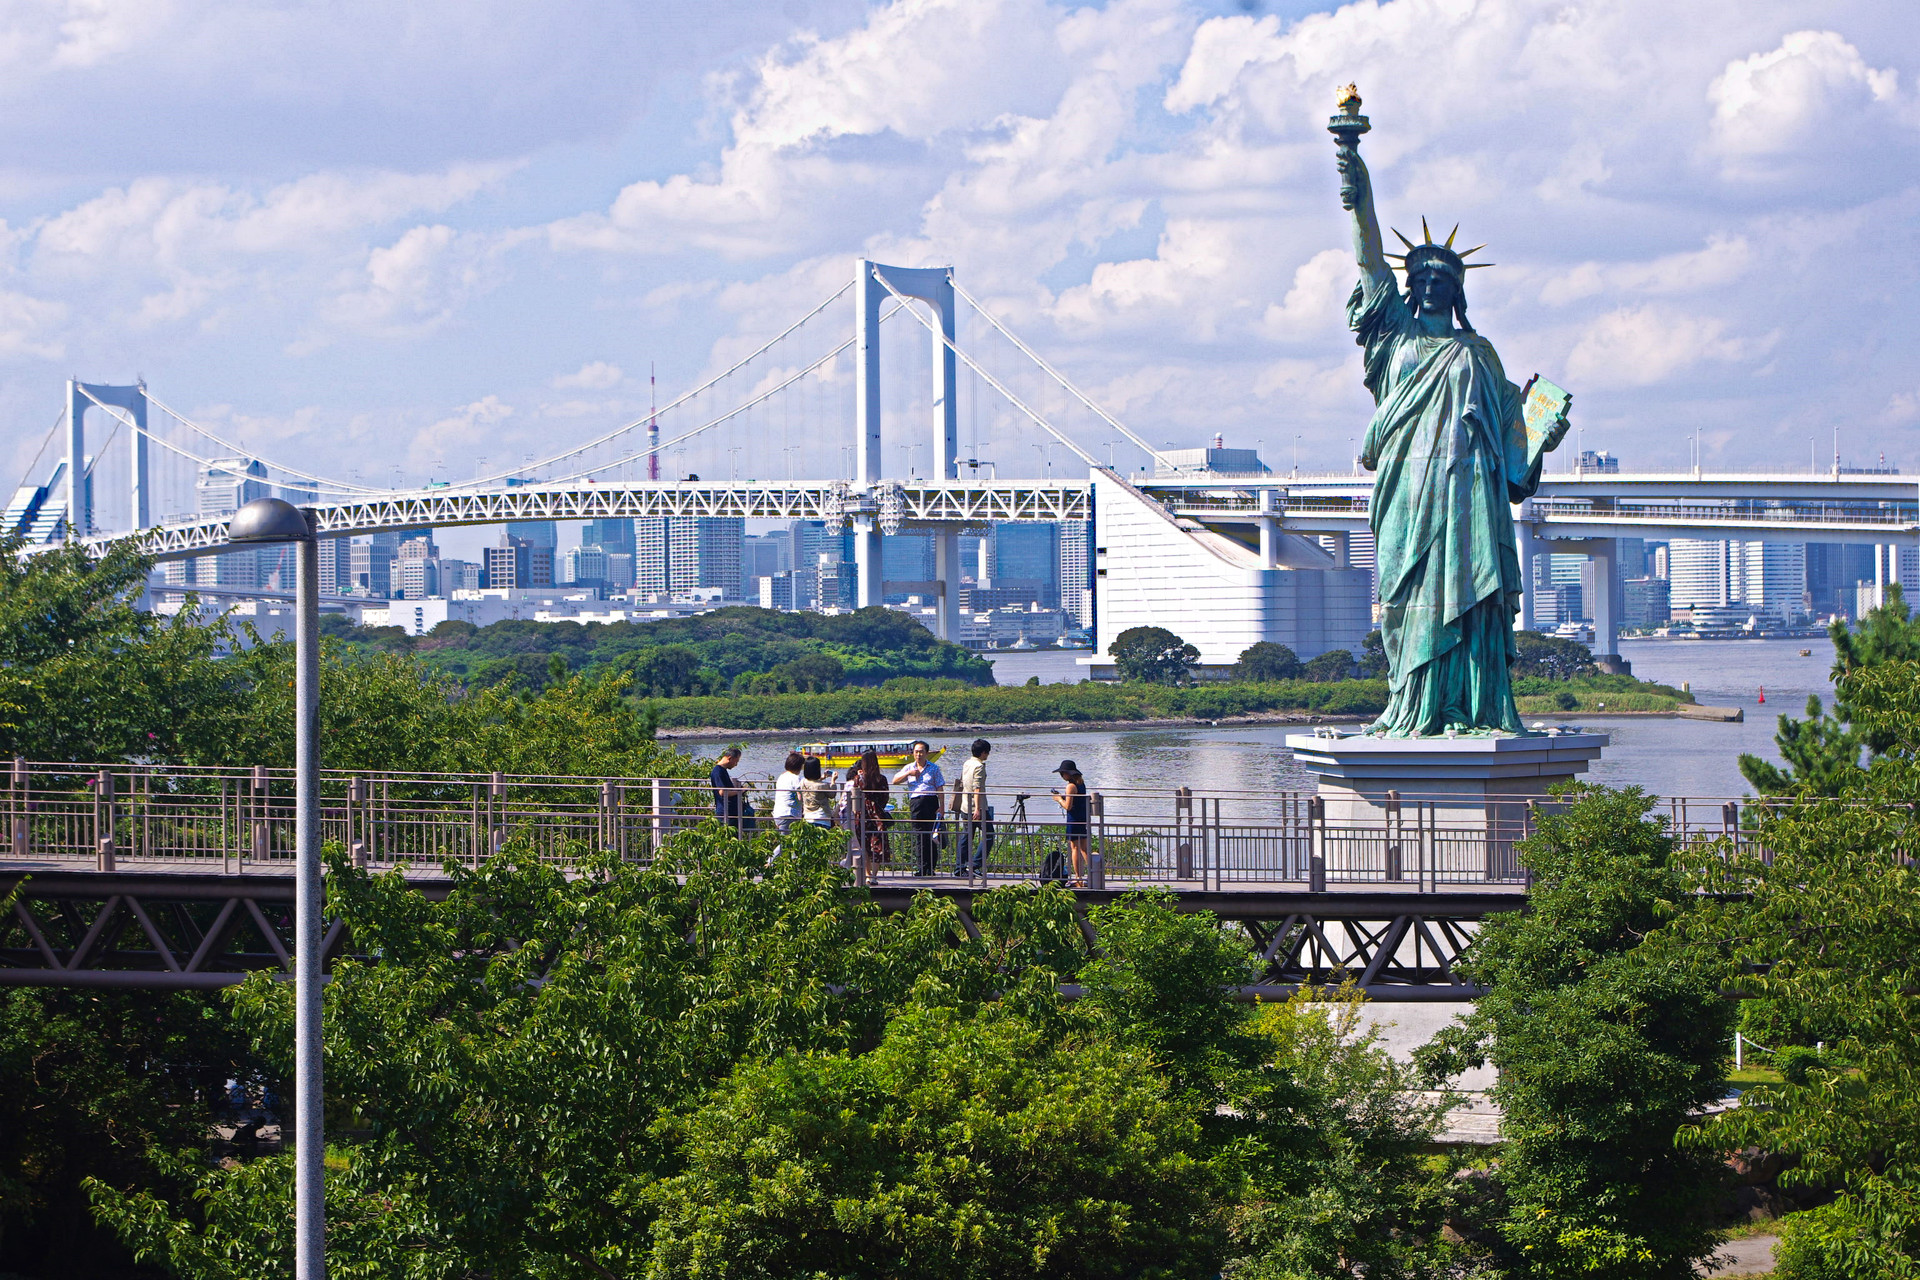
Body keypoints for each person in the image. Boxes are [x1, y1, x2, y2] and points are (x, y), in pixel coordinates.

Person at [1332, 105, 1569, 736]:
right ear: (1409, 284)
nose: (1433, 281)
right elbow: (1367, 255)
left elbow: (1510, 441)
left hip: (1469, 496)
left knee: (1472, 596)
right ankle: (1410, 704)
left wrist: (1540, 430)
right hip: (1408, 494)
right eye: (1423, 273)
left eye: (1446, 275)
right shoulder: (1394, 336)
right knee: (1408, 598)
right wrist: (1354, 172)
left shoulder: (1479, 352)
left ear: (1459, 288)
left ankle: (1471, 704)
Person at [892, 740, 946, 877]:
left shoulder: (934, 768)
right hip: (916, 803)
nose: (919, 754)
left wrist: (942, 806)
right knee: (919, 836)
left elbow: (940, 787)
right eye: (916, 751)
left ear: (926, 753)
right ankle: (921, 867)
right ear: (913, 753)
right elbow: (895, 780)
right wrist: (908, 774)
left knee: (932, 835)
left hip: (931, 802)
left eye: (921, 751)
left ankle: (931, 868)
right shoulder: (909, 767)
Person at [954, 738, 992, 877]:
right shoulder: (979, 766)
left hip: (965, 806)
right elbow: (977, 788)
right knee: (989, 835)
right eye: (987, 753)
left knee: (966, 836)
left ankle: (959, 868)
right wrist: (978, 809)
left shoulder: (967, 763)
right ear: (983, 753)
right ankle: (975, 865)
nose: (987, 755)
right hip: (978, 807)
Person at [1051, 759, 1090, 887]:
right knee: (1084, 848)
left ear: (1068, 773)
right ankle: (1093, 874)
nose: (1062, 776)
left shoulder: (1070, 786)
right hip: (1082, 819)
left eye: (1062, 773)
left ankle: (1078, 879)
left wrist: (1058, 799)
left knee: (1075, 848)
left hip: (1073, 820)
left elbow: (1068, 806)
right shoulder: (1081, 784)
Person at [855, 749, 890, 867]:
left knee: (863, 845)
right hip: (877, 815)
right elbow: (886, 797)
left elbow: (854, 796)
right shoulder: (882, 779)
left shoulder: (859, 779)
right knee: (877, 844)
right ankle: (874, 876)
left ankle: (867, 874)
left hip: (861, 814)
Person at [770, 751, 805, 838]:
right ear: (799, 766)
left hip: (779, 813)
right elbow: (800, 797)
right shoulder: (796, 778)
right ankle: (773, 853)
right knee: (786, 844)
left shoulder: (782, 776)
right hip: (789, 814)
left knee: (787, 842)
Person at [710, 747, 745, 832]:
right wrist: (739, 791)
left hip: (730, 811)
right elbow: (722, 792)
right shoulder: (718, 771)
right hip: (725, 813)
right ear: (730, 758)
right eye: (736, 761)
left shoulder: (722, 770)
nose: (736, 764)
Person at [799, 755, 836, 829]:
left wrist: (822, 777)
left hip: (808, 817)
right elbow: (832, 794)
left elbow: (813, 783)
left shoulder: (802, 782)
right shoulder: (822, 785)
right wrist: (833, 781)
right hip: (822, 818)